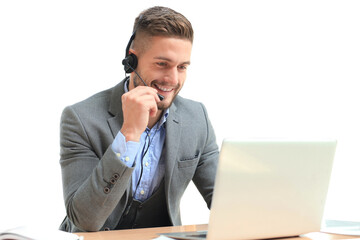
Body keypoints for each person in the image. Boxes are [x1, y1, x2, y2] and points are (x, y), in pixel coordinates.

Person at [59, 6, 219, 232]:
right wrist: (129, 134)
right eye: (162, 64)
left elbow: (226, 202)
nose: (173, 79)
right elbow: (85, 220)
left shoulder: (196, 118)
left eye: (182, 67)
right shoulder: (81, 119)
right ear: (131, 61)